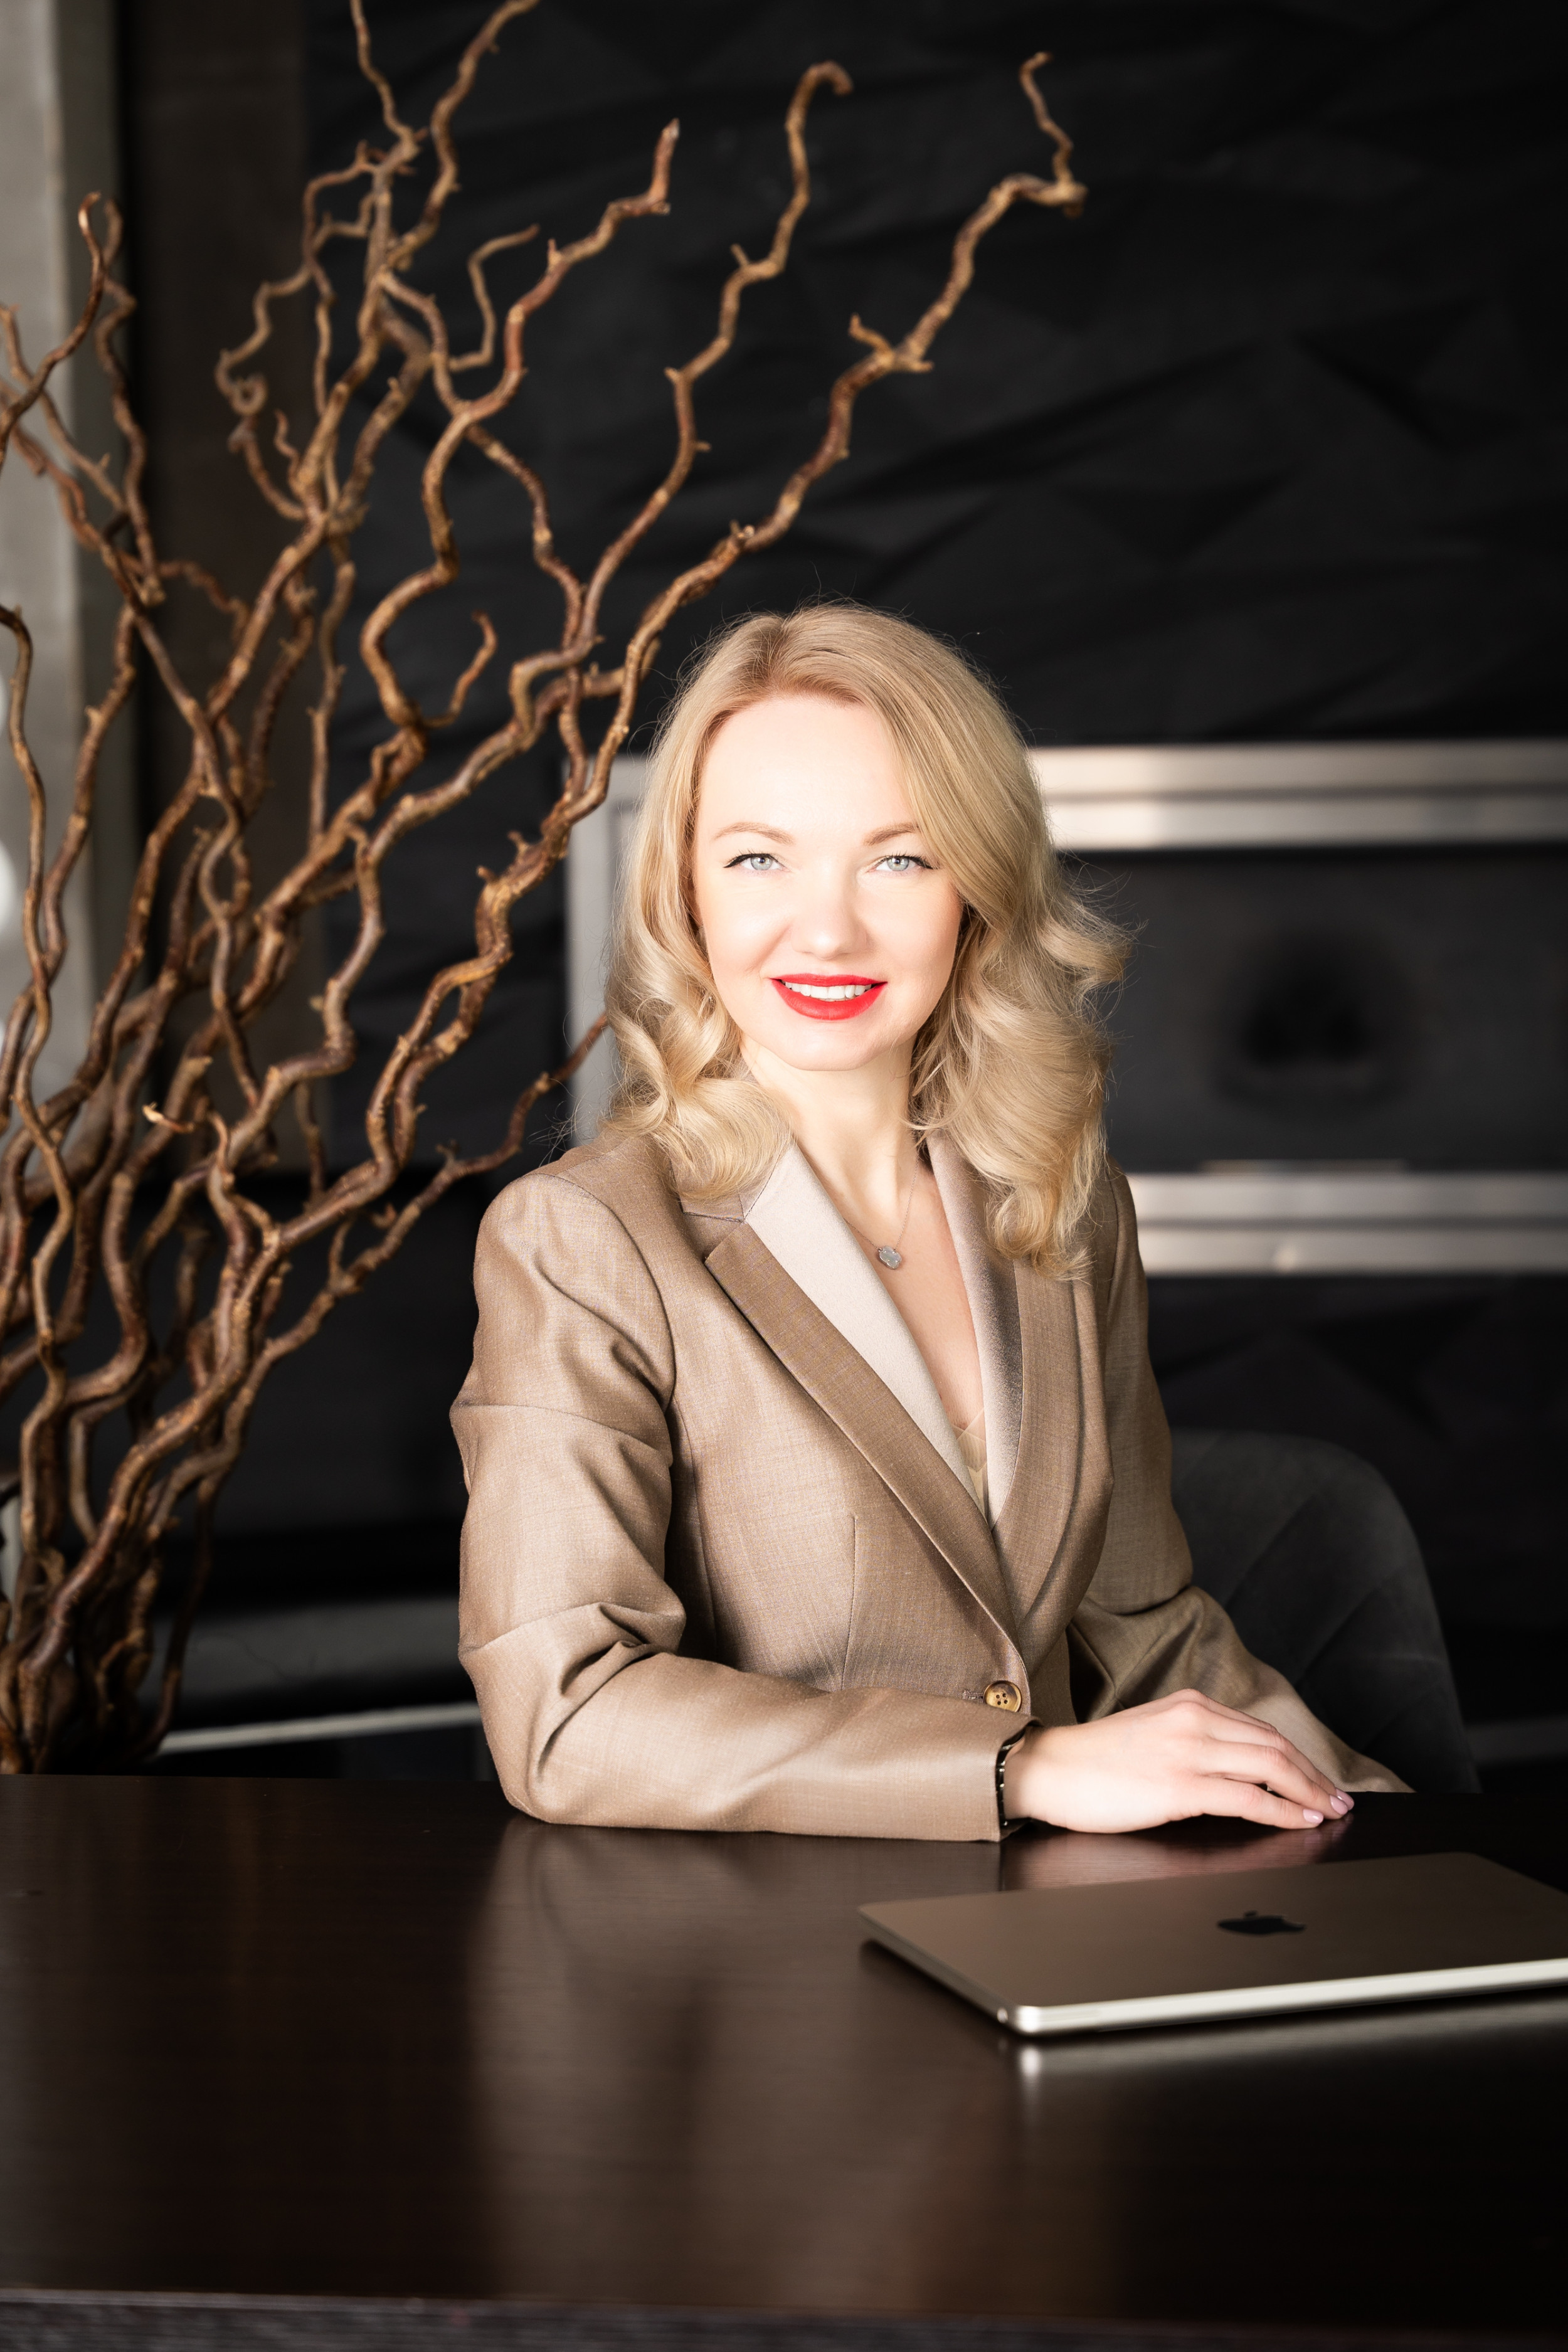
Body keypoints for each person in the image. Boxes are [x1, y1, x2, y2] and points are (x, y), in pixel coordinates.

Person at [453, 603, 1404, 1838]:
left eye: (898, 859)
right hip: (750, 1940)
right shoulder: (579, 1242)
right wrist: (1019, 1769)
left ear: (976, 891)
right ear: (686, 891)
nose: (827, 929)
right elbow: (567, 1716)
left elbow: (1144, 1630)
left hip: (1059, 1919)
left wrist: (1389, 1834)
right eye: (758, 860)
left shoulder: (1066, 1205)